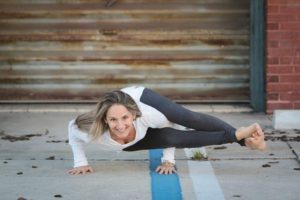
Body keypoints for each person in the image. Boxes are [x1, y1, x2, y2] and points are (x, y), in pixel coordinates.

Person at [67, 86, 266, 175]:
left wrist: (168, 160)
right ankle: (243, 138)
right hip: (131, 135)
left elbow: (170, 128)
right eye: (113, 120)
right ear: (105, 119)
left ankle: (242, 138)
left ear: (134, 116)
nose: (120, 125)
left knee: (185, 118)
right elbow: (71, 127)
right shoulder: (91, 130)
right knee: (172, 137)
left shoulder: (146, 115)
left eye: (125, 118)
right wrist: (80, 162)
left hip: (140, 97)